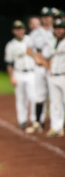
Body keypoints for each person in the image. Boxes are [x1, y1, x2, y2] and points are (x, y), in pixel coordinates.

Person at [25, 6, 56, 134]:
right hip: (39, 69)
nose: (46, 19)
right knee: (39, 96)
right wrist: (35, 58)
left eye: (48, 16)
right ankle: (38, 122)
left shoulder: (58, 31)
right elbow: (28, 49)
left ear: (52, 18)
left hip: (54, 68)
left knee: (55, 97)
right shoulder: (36, 33)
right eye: (44, 16)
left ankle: (56, 125)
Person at [4, 20, 36, 130]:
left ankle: (34, 120)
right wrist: (12, 76)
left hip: (32, 72)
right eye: (17, 29)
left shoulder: (31, 40)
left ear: (24, 29)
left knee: (33, 97)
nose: (19, 31)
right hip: (19, 73)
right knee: (21, 98)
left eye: (21, 28)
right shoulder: (10, 45)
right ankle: (22, 120)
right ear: (13, 31)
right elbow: (9, 63)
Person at [44, 19, 65, 137]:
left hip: (63, 75)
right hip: (54, 76)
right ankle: (56, 127)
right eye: (56, 28)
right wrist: (49, 69)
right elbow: (46, 56)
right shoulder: (52, 43)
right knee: (55, 103)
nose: (58, 30)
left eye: (61, 28)